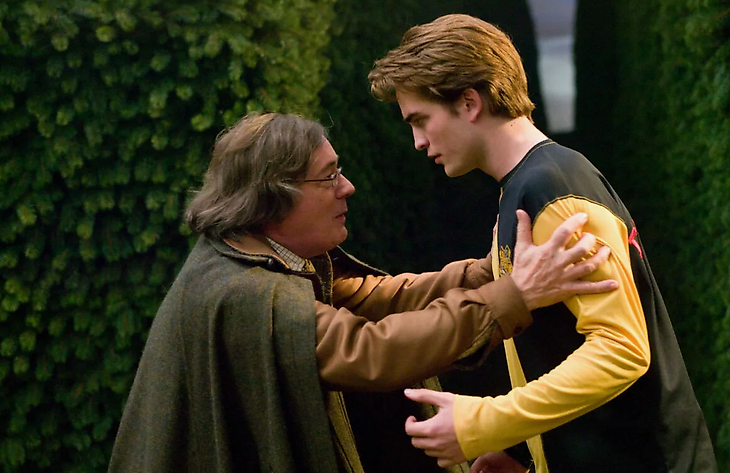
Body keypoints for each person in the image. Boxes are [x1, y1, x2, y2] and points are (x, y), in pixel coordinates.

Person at [107, 112, 617, 473]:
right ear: (272, 196)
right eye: (328, 177)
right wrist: (515, 294)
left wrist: (495, 270)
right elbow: (370, 350)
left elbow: (385, 298)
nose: (347, 187)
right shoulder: (242, 292)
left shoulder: (262, 256)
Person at [369, 13, 718, 473]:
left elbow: (621, 349)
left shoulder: (551, 189)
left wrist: (484, 423)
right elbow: (560, 340)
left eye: (420, 119)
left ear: (469, 102)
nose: (416, 141)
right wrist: (525, 451)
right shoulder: (528, 185)